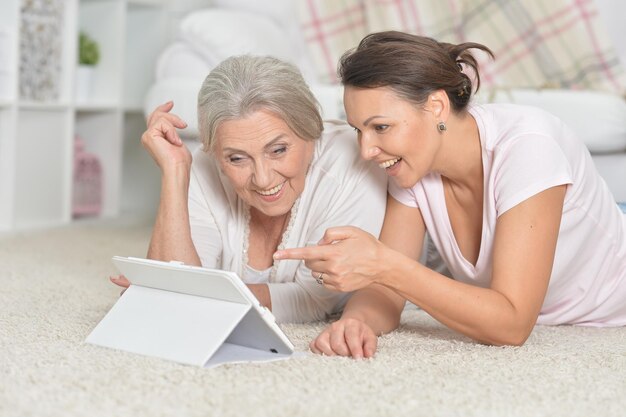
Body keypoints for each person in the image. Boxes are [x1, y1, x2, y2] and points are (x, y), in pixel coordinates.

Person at [274, 31, 626, 356]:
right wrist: (355, 323)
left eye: (381, 127)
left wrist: (382, 264)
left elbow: (512, 324)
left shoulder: (528, 147)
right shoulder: (412, 166)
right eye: (359, 130)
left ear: (437, 107)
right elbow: (389, 289)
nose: (367, 150)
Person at [111, 55, 387, 323]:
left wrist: (179, 291)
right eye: (237, 159)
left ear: (312, 130)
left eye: (278, 150)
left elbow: (313, 298)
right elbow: (179, 283)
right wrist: (174, 172)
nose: (263, 179)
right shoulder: (206, 166)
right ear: (215, 153)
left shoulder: (352, 159)